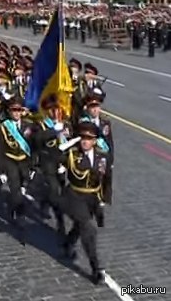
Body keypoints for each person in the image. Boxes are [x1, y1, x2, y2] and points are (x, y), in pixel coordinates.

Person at [61, 121, 113, 285]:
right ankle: (96, 268)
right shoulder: (71, 155)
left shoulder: (102, 157)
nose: (85, 141)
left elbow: (107, 179)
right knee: (88, 229)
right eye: (82, 137)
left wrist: (104, 199)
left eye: (89, 138)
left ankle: (68, 243)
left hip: (93, 198)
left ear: (95, 140)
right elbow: (52, 154)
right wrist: (70, 142)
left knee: (80, 226)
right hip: (74, 196)